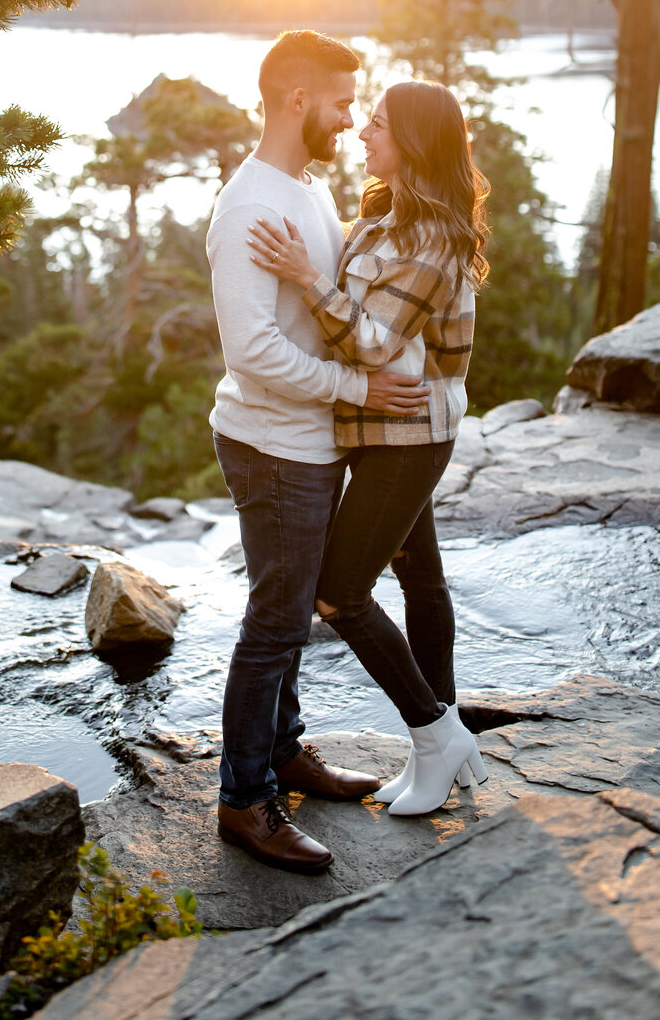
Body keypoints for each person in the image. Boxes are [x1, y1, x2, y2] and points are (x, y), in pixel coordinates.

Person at [207, 31, 432, 873]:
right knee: (274, 621)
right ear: (297, 101)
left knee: (291, 613)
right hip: (272, 445)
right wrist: (360, 392)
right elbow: (252, 353)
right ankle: (244, 799)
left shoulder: (306, 186)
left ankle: (286, 754)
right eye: (343, 102)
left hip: (308, 442)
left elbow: (326, 304)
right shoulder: (248, 209)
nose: (350, 117)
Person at [248, 78, 490, 817]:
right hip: (381, 430)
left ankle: (435, 732)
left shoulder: (435, 238)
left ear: (412, 140)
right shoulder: (383, 216)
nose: (362, 134)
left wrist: (304, 279)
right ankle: (440, 743)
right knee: (421, 580)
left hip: (409, 435)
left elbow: (380, 343)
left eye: (377, 124)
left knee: (340, 594)